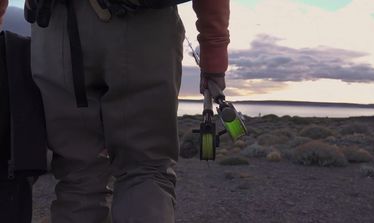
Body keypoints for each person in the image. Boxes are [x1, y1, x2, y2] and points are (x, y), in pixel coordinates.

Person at [0, 0, 230, 222]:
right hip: (144, 25)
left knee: (78, 177)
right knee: (145, 170)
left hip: (54, 28)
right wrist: (214, 53)